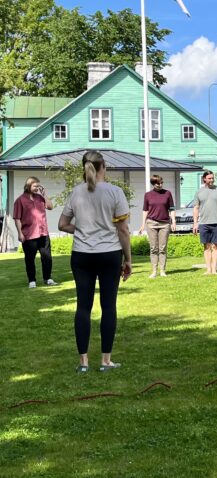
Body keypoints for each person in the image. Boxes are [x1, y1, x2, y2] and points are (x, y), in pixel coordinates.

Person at [57, 150, 132, 373]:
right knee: (108, 306)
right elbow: (123, 230)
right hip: (109, 254)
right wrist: (128, 259)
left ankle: (83, 363)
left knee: (83, 307)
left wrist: (81, 229)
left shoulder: (76, 192)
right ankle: (106, 361)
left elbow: (62, 224)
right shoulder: (115, 192)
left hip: (81, 255)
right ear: (103, 167)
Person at [13, 176, 56, 288]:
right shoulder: (20, 200)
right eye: (35, 186)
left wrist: (44, 194)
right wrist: (20, 233)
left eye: (38, 185)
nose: (37, 187)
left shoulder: (40, 198)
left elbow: (51, 207)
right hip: (29, 235)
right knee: (30, 259)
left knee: (47, 257)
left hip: (43, 233)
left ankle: (48, 278)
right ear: (28, 186)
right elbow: (17, 218)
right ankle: (32, 281)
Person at [139, 175, 176, 278]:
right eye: (157, 183)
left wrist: (174, 222)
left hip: (164, 223)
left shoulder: (167, 193)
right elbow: (145, 210)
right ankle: (154, 271)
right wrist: (142, 224)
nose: (160, 185)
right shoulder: (147, 195)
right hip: (151, 223)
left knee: (162, 248)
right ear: (153, 184)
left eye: (161, 183)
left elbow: (172, 209)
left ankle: (162, 270)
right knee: (153, 248)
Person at [192, 170, 217, 274]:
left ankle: (214, 269)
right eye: (209, 178)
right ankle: (208, 269)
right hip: (204, 223)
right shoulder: (199, 192)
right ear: (204, 179)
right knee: (207, 246)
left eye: (212, 178)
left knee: (215, 246)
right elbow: (196, 208)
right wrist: (195, 223)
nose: (211, 180)